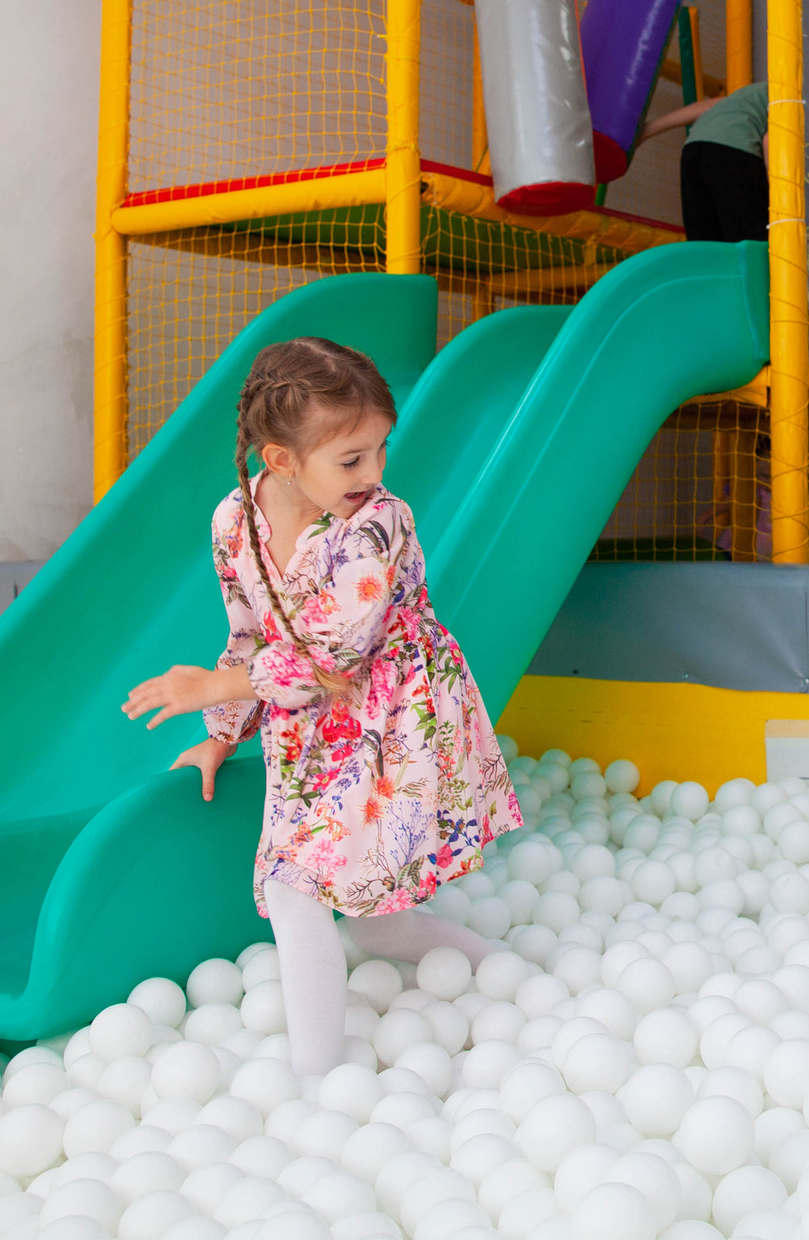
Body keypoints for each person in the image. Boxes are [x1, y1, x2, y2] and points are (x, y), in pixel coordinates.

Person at [121, 337, 521, 1077]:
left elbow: (335, 652)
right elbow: (249, 631)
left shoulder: (376, 523)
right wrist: (221, 733)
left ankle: (319, 1080)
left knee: (296, 886)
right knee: (372, 921)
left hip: (391, 716)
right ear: (279, 461)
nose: (374, 474)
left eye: (380, 450)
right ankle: (506, 975)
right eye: (351, 459)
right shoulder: (234, 523)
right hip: (310, 730)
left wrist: (208, 687)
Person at [637, 79, 767, 244]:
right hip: (734, 149)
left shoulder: (753, 93)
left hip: (694, 148)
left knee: (704, 242)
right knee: (753, 240)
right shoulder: (792, 93)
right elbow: (769, 140)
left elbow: (712, 105)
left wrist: (648, 129)